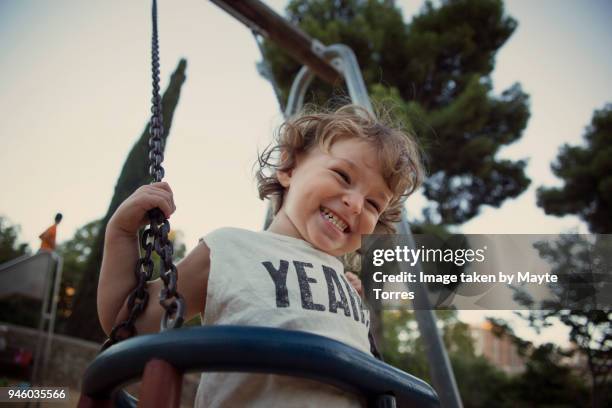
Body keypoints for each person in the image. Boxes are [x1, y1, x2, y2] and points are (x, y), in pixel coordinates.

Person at [97, 104, 424, 407]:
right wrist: (122, 235)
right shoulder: (229, 249)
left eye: (373, 204)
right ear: (289, 167)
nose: (355, 203)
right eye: (342, 176)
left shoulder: (348, 289)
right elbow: (127, 325)